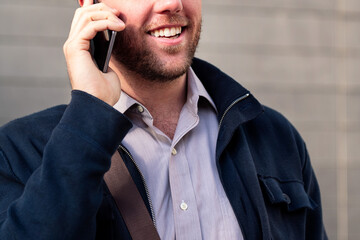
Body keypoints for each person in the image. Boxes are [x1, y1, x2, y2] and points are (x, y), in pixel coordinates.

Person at [0, 0, 328, 239]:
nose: (172, 3)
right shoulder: (19, 150)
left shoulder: (274, 137)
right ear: (91, 6)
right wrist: (89, 115)